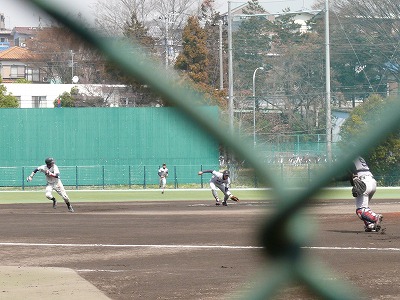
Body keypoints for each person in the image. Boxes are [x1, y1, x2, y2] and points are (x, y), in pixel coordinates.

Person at [349, 156, 383, 232]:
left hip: (364, 183)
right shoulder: (359, 157)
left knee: (360, 211)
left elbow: (351, 173)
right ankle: (370, 225)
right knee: (364, 207)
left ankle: (375, 217)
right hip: (372, 181)